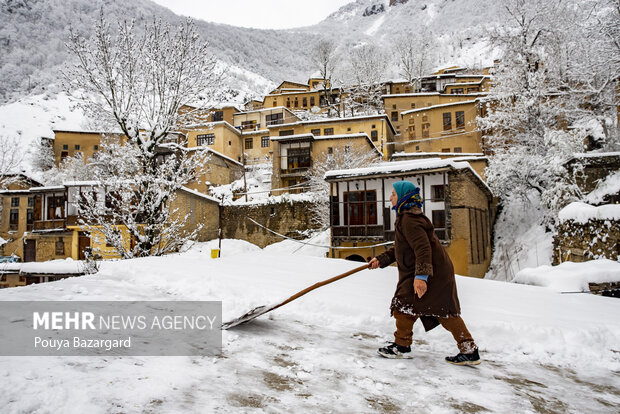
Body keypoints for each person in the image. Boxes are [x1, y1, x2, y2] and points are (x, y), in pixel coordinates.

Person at [368, 180, 480, 365]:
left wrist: (421, 277)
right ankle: (403, 345)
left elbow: (423, 250)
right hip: (428, 271)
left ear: (403, 197)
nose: (390, 197)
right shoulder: (407, 217)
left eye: (394, 194)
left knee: (436, 310)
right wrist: (381, 259)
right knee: (407, 308)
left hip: (432, 274)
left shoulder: (410, 220)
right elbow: (402, 248)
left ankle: (466, 349)